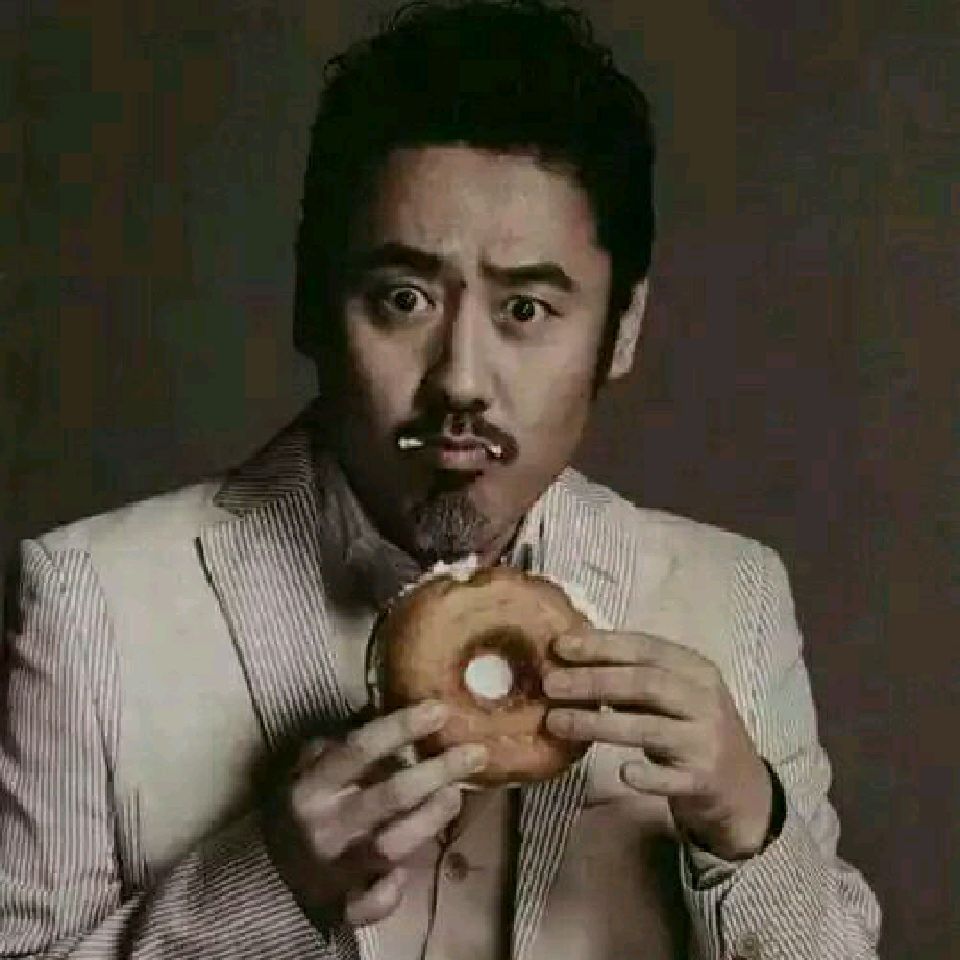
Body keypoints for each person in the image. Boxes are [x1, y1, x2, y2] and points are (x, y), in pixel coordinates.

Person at [0, 2, 882, 958]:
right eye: (403, 298)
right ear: (311, 302)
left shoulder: (731, 597)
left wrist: (749, 829)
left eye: (527, 309)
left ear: (621, 329)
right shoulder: (90, 605)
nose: (460, 379)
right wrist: (263, 891)